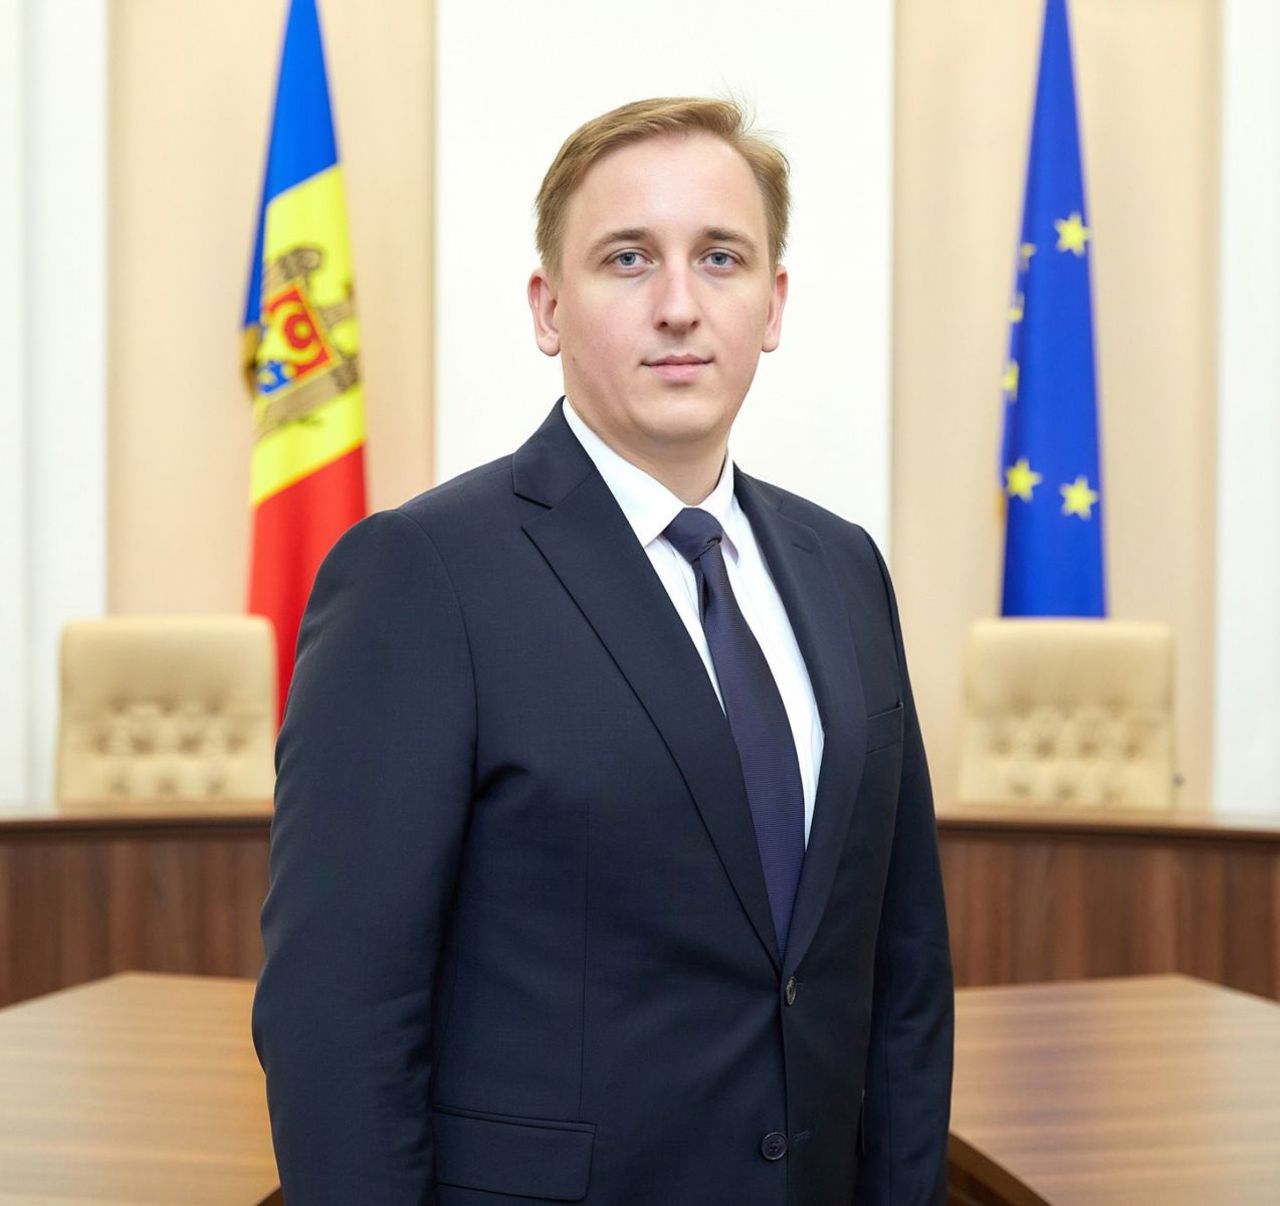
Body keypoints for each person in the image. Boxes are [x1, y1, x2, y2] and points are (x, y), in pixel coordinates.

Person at [253, 96, 954, 1206]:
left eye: (719, 257)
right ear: (548, 308)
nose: (679, 304)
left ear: (772, 304)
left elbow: (903, 974)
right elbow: (335, 1016)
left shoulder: (845, 570)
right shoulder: (418, 578)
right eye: (628, 259)